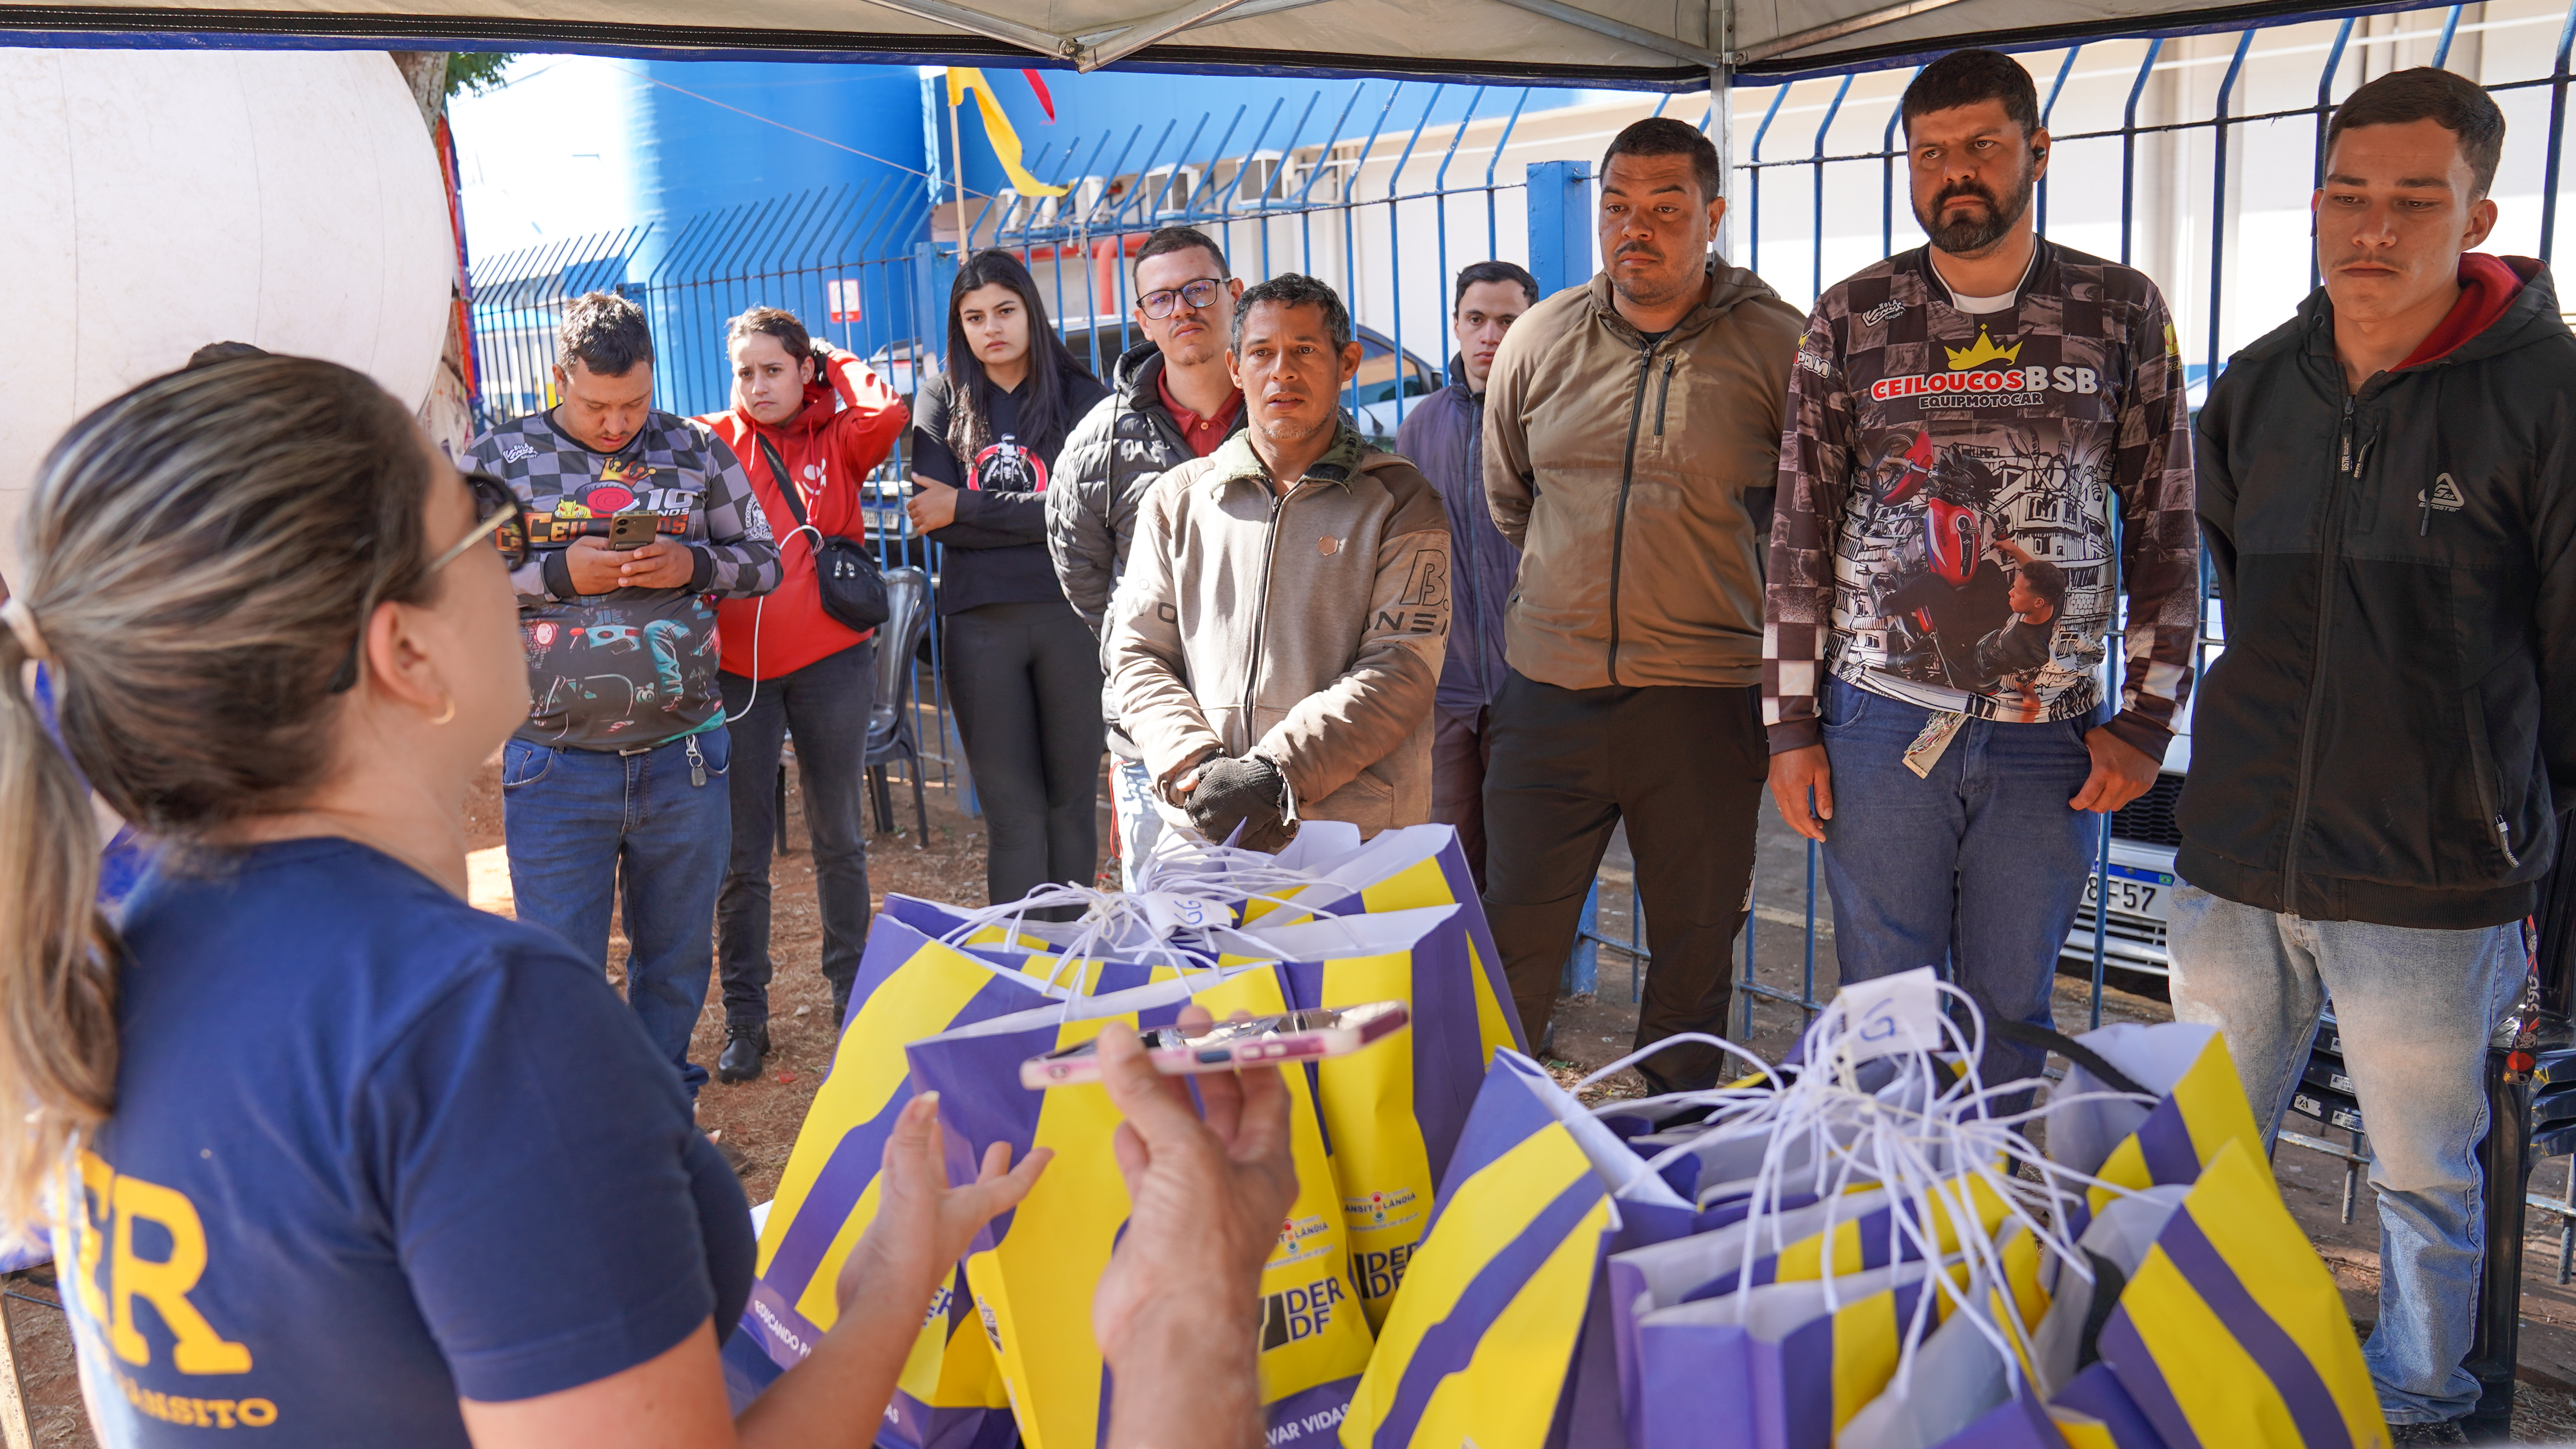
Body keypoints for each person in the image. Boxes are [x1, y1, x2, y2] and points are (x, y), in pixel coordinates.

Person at [0, 354, 1048, 1445]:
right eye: (480, 521)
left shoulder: (97, 946)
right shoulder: (478, 1023)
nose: (515, 556)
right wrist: (893, 1285)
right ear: (404, 647)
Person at [2174, 68, 2576, 1442]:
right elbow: (2226, 577)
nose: (2370, 225)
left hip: (2427, 874)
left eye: (2412, 199)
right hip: (2236, 858)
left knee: (2419, 1178)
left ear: (2474, 209)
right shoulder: (2258, 384)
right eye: (2346, 192)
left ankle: (2417, 1397)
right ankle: (2209, 1365)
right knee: (2203, 1149)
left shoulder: (2546, 396)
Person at [1763, 48, 2199, 1091]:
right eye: (1928, 154)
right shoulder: (1853, 314)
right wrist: (1787, 724)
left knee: (2010, 1015)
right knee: (1883, 1013)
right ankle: (1897, 1237)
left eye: (1981, 148)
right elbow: (1797, 532)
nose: (1953, 172)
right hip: (1874, 725)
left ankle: (1993, 1233)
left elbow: (2165, 529)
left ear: (2035, 154)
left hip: (2047, 738)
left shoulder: (2116, 309)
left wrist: (2144, 722)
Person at [1479, 117, 1800, 1088]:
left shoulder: (1775, 346)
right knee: (1509, 950)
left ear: (1711, 217)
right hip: (1547, 692)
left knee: (1691, 960)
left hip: (1701, 700)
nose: (1635, 229)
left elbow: (1809, 523)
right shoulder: (1539, 336)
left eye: (1664, 210)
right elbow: (1510, 497)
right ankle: (1494, 1158)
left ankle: (1673, 1167)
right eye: (1617, 207)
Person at [466, 291, 781, 1099]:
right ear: (558, 377)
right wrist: (556, 574)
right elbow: (449, 584)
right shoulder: (499, 460)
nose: (616, 424)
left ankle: (659, 1115)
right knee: (559, 968)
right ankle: (581, 1127)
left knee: (676, 961)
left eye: (634, 402)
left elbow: (766, 560)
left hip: (686, 758)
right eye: (596, 405)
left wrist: (696, 567)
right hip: (556, 762)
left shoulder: (696, 449)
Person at [1109, 273, 1450, 852]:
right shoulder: (1179, 501)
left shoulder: (1398, 501)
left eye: (1305, 351)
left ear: (1347, 363)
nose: (1282, 372)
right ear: (1235, 368)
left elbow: (1401, 669)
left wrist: (1272, 775)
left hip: (1352, 836)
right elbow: (1138, 654)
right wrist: (1198, 768)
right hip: (1204, 825)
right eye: (1262, 353)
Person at [696, 306, 907, 1080]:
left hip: (833, 664)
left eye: (774, 368)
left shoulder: (838, 437)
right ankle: (746, 1019)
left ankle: (852, 999)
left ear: (804, 370)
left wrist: (829, 353)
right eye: (744, 371)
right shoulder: (711, 439)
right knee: (740, 854)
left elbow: (889, 410)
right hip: (738, 672)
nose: (757, 385)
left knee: (838, 839)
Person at [909, 250, 1112, 907]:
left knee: (1071, 805)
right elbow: (928, 517)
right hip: (980, 628)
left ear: (1029, 310)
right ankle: (1023, 978)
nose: (989, 327)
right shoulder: (940, 399)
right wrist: (1033, 512)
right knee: (1014, 816)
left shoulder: (1084, 398)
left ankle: (1079, 964)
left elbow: (1086, 511)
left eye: (1003, 310)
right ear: (958, 326)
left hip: (1070, 619)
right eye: (973, 316)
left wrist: (966, 505)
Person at [1050, 226, 1247, 887]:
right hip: (1153, 745)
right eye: (1161, 299)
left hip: (1274, 734)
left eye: (1198, 289)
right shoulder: (1100, 442)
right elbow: (1085, 581)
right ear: (1141, 318)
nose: (1183, 309)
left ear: (1233, 295)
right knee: (1175, 949)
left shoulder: (1288, 415)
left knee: (1287, 945)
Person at [1394, 259, 1537, 893]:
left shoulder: (1551, 417)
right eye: (1475, 319)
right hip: (1445, 689)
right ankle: (1458, 987)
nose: (1489, 335)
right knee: (1445, 858)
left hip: (1531, 684)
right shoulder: (1419, 426)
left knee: (1525, 861)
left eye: (1507, 320)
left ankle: (1521, 992)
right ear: (1455, 325)